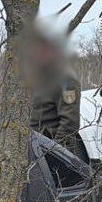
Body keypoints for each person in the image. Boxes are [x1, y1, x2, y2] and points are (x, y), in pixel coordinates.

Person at [27, 23, 85, 159]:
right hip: (33, 147)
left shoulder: (65, 78)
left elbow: (70, 122)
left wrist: (55, 152)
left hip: (49, 151)